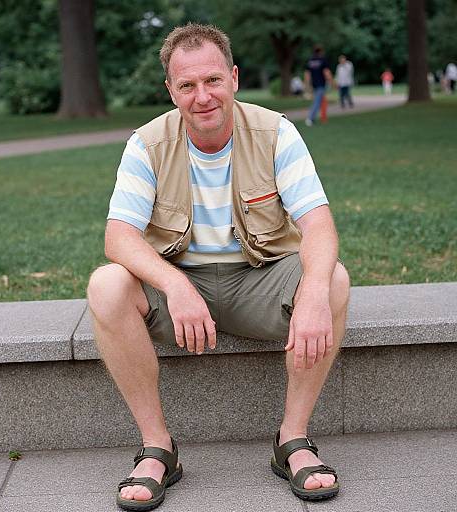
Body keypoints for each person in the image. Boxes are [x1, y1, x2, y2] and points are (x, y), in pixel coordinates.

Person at [87, 23, 349, 511]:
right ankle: (157, 449)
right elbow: (117, 237)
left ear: (233, 77)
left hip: (260, 280)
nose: (201, 96)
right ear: (170, 90)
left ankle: (293, 441)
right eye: (186, 85)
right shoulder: (147, 143)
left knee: (332, 279)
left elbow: (318, 225)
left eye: (212, 80)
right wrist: (174, 284)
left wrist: (312, 294)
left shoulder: (276, 133)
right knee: (107, 285)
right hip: (179, 290)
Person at [303, 45, 333, 126]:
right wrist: (331, 82)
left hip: (314, 84)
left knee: (320, 101)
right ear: (321, 51)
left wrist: (307, 85)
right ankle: (310, 118)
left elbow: (307, 74)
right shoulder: (323, 60)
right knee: (317, 102)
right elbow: (327, 73)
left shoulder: (310, 61)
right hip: (321, 84)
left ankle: (322, 117)